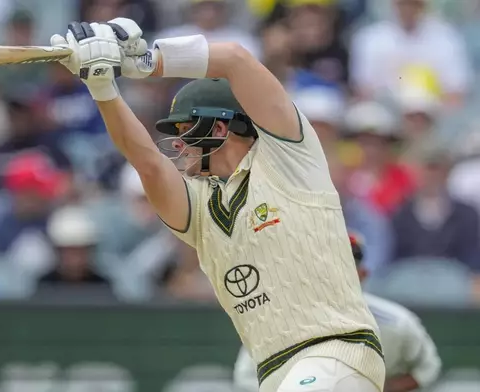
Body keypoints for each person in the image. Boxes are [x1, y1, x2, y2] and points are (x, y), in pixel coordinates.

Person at [49, 18, 384, 391]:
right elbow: (147, 162)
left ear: (220, 128)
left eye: (184, 131)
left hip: (336, 349)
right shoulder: (200, 206)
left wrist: (145, 63)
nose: (177, 144)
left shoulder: (288, 158)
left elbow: (237, 60)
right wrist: (102, 87)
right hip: (274, 371)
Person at [234, 234, 442, 392]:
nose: (337, 274)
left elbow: (428, 367)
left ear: (362, 274)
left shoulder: (397, 322)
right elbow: (245, 377)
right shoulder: (278, 321)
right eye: (330, 265)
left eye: (346, 266)